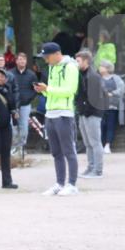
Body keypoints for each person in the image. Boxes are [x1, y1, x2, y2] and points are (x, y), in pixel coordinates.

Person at [35, 42, 80, 196]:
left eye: (47, 56)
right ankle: (60, 183)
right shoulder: (52, 67)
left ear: (56, 54)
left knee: (69, 150)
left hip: (64, 113)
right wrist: (43, 90)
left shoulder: (70, 67)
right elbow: (53, 92)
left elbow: (70, 91)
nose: (45, 60)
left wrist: (48, 89)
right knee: (56, 152)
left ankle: (72, 184)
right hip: (50, 113)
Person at [75, 49, 105, 179]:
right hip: (83, 112)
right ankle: (91, 167)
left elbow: (95, 98)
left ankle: (97, 170)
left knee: (95, 142)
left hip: (92, 113)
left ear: (86, 61)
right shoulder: (80, 74)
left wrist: (86, 110)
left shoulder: (93, 76)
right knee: (87, 143)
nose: (76, 63)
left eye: (78, 61)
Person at [9, 52, 38, 150]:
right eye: (20, 59)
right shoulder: (10, 74)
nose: (22, 61)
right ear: (16, 61)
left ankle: (21, 148)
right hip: (12, 106)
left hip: (25, 105)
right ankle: (13, 148)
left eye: (24, 59)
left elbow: (36, 89)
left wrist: (29, 98)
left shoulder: (31, 74)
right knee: (12, 127)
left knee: (24, 127)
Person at [98, 61, 124, 154]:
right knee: (100, 126)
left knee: (110, 125)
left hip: (112, 106)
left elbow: (121, 89)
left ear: (107, 68)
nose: (100, 68)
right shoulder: (98, 78)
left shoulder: (116, 78)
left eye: (102, 66)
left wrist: (112, 93)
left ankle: (107, 145)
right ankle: (100, 145)